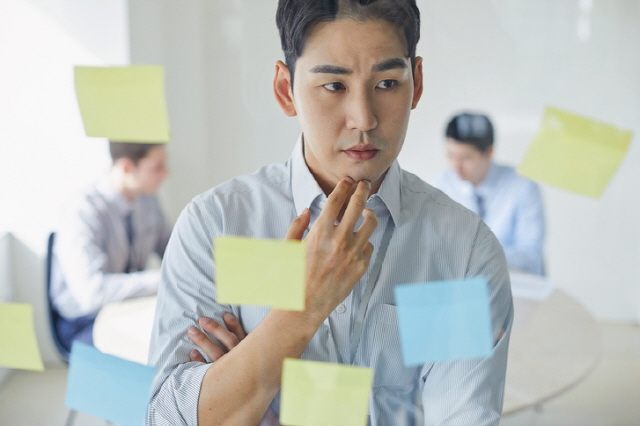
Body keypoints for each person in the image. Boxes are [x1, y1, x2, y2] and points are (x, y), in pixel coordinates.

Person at [147, 1, 513, 425]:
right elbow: (168, 418)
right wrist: (298, 313)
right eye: (335, 86)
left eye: (387, 83)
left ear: (416, 83)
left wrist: (246, 380)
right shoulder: (219, 225)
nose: (364, 119)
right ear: (285, 90)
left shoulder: (462, 252)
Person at [50, 141, 171, 353]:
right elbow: (92, 294)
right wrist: (162, 279)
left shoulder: (148, 200)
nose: (166, 173)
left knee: (185, 327)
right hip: (85, 321)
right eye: (156, 167)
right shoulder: (82, 210)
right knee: (160, 343)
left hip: (127, 308)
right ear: (127, 167)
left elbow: (172, 252)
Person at [432, 112, 546, 276]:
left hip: (512, 284)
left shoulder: (522, 187)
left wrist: (480, 254)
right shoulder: (441, 185)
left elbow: (531, 258)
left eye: (466, 157)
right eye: (451, 155)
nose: (456, 166)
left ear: (489, 152)